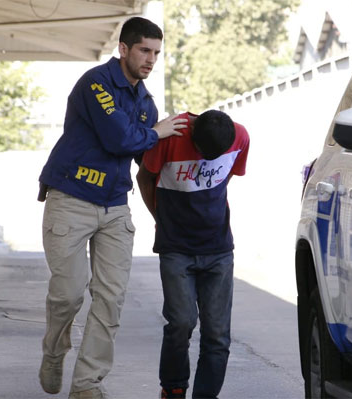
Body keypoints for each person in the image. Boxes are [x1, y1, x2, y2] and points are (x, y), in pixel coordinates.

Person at [36, 16, 187, 399]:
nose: (151, 59)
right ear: (124, 49)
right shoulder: (96, 83)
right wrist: (156, 133)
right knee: (69, 294)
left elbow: (147, 162)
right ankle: (54, 352)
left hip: (116, 207)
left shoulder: (146, 105)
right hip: (71, 199)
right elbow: (120, 138)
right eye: (144, 50)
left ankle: (87, 385)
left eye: (156, 52)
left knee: (110, 298)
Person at [136, 110, 250, 399]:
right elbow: (145, 178)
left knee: (217, 335)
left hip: (219, 249)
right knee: (181, 323)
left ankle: (205, 395)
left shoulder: (240, 137)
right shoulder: (171, 135)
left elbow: (222, 181)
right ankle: (173, 387)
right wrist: (160, 218)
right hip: (176, 248)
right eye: (203, 154)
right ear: (193, 136)